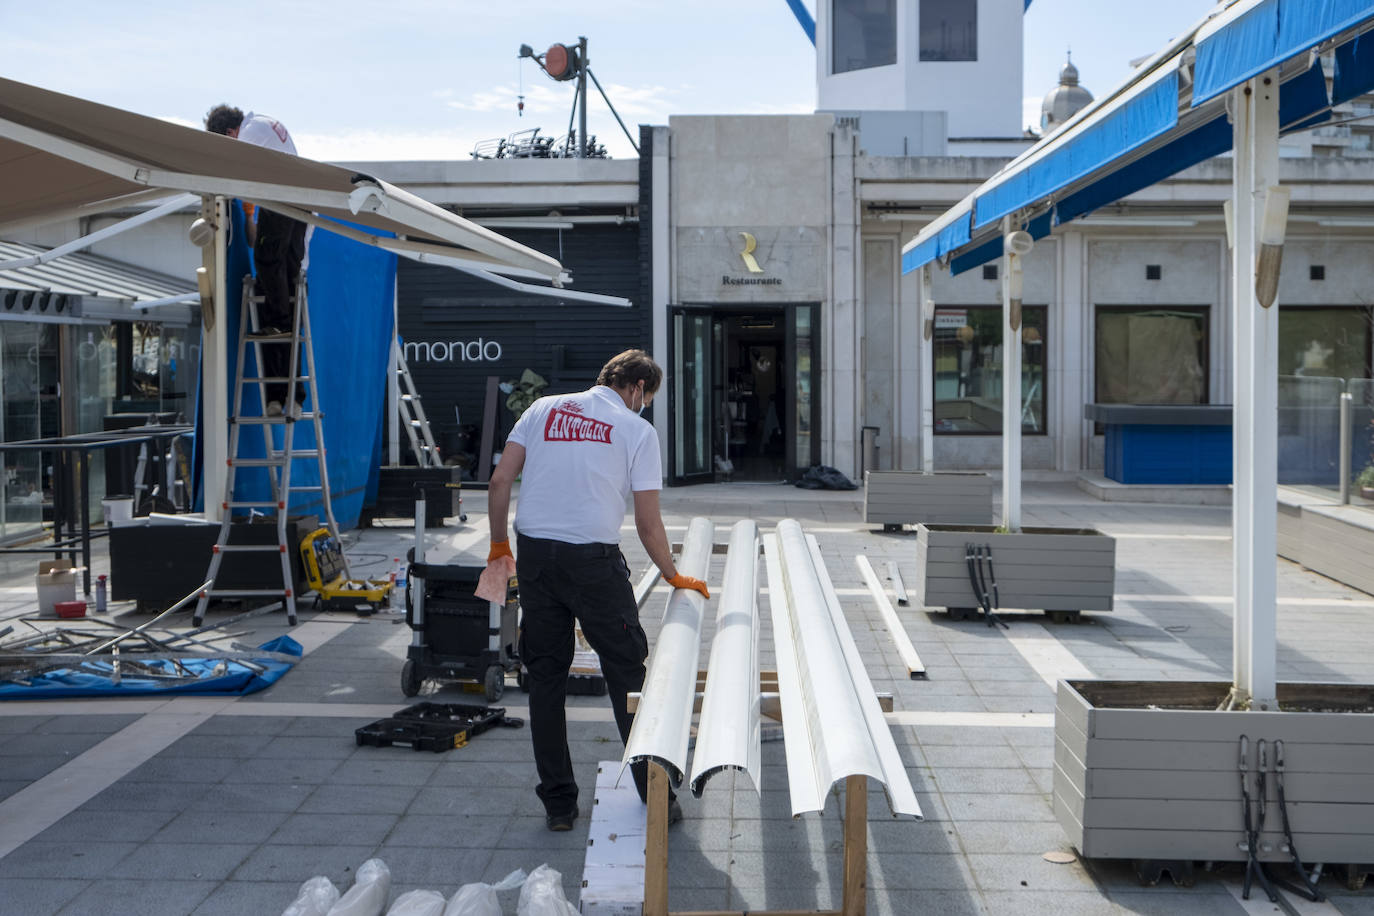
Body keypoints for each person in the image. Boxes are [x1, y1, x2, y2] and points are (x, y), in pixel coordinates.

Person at [487, 349, 710, 832]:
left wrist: (499, 544)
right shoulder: (636, 431)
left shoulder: (543, 408)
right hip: (593, 564)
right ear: (637, 388)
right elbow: (648, 524)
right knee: (627, 674)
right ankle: (653, 796)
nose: (642, 405)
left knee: (545, 679)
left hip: (536, 556)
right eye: (645, 398)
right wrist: (673, 575)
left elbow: (500, 480)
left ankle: (559, 806)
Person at [204, 104, 307, 418]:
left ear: (229, 133)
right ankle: (288, 395)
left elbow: (233, 173)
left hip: (284, 201)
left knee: (266, 265)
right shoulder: (265, 126)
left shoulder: (250, 133)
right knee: (283, 291)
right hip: (298, 204)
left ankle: (277, 323)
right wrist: (250, 213)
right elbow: (252, 234)